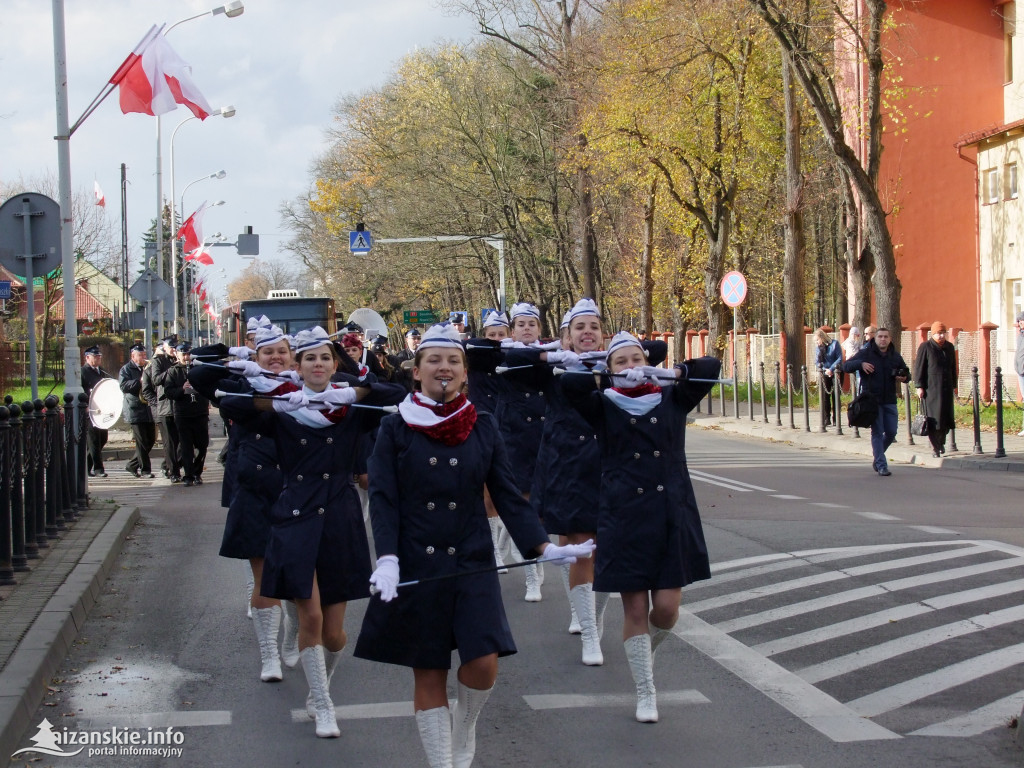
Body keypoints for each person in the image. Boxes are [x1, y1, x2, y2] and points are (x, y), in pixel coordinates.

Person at [353, 323, 593, 768]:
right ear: (417, 372)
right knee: (429, 670)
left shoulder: (482, 426)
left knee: (483, 665)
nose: (443, 368)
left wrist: (541, 547)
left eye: (453, 361)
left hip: (471, 560)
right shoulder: (395, 428)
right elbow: (384, 500)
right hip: (416, 561)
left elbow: (505, 493)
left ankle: (466, 728)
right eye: (434, 360)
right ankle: (444, 763)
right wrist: (386, 558)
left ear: (465, 373)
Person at [191, 326, 405, 738]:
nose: (319, 365)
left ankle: (321, 685)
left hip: (341, 520)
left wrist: (352, 392)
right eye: (309, 359)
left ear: (334, 363)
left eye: (326, 358)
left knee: (335, 633)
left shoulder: (348, 407)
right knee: (309, 615)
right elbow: (225, 399)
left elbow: (393, 395)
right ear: (298, 366)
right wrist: (266, 393)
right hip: (294, 517)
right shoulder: (285, 409)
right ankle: (323, 704)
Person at [561, 330, 719, 723]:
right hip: (622, 516)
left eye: (636, 359)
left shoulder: (673, 398)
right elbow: (570, 384)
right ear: (610, 371)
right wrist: (598, 369)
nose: (631, 368)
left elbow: (711, 367)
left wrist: (674, 371)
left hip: (670, 513)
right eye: (622, 363)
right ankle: (646, 692)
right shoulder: (602, 405)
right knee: (634, 607)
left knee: (665, 609)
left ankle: (644, 654)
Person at [191, 325, 296, 682]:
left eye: (283, 351)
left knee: (299, 579)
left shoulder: (309, 386)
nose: (276, 358)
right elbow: (200, 374)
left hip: (301, 491)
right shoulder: (241, 384)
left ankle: (294, 634)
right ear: (256, 356)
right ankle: (269, 655)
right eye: (267, 352)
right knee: (265, 577)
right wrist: (232, 359)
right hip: (256, 488)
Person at [843, 328, 909, 476]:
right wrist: (861, 364)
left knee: (892, 432)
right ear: (875, 338)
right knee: (877, 431)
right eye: (880, 336)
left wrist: (903, 377)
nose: (883, 339)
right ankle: (881, 464)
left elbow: (905, 372)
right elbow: (845, 366)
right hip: (872, 400)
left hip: (890, 399)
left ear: (890, 339)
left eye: (886, 337)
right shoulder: (866, 353)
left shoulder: (894, 356)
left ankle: (878, 456)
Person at [162, 342, 210, 487]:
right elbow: (168, 392)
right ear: (177, 354)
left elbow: (208, 386)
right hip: (183, 414)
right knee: (186, 446)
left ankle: (197, 471)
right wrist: (182, 389)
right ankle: (189, 475)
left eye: (188, 354)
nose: (186, 357)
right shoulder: (173, 371)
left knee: (202, 445)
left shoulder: (199, 368)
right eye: (183, 354)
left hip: (200, 412)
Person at [914, 321, 958, 457]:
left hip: (946, 387)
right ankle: (935, 447)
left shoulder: (949, 347)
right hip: (931, 389)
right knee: (933, 419)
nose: (940, 336)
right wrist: (919, 386)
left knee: (945, 418)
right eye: (938, 333)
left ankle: (941, 443)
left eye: (942, 333)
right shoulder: (926, 347)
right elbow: (919, 367)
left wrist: (954, 385)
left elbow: (953, 367)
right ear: (932, 334)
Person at [142, 336, 182, 482]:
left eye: (175, 347)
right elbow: (156, 380)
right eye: (171, 347)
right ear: (164, 348)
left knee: (182, 442)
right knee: (170, 443)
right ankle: (174, 472)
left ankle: (171, 466)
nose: (173, 350)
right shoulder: (158, 361)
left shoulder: (180, 359)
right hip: (165, 407)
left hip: (180, 406)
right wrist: (172, 370)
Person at [118, 343, 155, 478]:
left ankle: (132, 465)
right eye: (141, 355)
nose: (144, 357)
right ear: (133, 356)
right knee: (141, 441)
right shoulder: (126, 369)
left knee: (150, 440)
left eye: (145, 355)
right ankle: (146, 470)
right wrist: (139, 381)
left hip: (148, 408)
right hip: (134, 408)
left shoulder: (148, 367)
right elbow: (123, 386)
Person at [81, 345, 111, 477]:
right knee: (94, 440)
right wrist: (85, 405)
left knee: (103, 438)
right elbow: (81, 391)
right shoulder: (83, 371)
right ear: (87, 357)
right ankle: (99, 469)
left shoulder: (102, 371)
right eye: (95, 356)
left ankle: (85, 466)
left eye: (99, 356)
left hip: (101, 410)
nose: (98, 358)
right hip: (90, 410)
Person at [814, 329, 843, 427]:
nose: (816, 342)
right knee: (825, 396)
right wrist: (825, 369)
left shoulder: (835, 344)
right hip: (825, 372)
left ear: (822, 338)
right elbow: (817, 361)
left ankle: (836, 418)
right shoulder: (818, 348)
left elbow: (839, 358)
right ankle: (827, 418)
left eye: (817, 340)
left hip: (836, 371)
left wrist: (831, 369)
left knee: (836, 395)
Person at [1015, 312, 1024, 434]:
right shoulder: (1020, 336)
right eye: (1020, 321)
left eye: (1022, 321)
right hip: (1020, 371)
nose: (1021, 323)